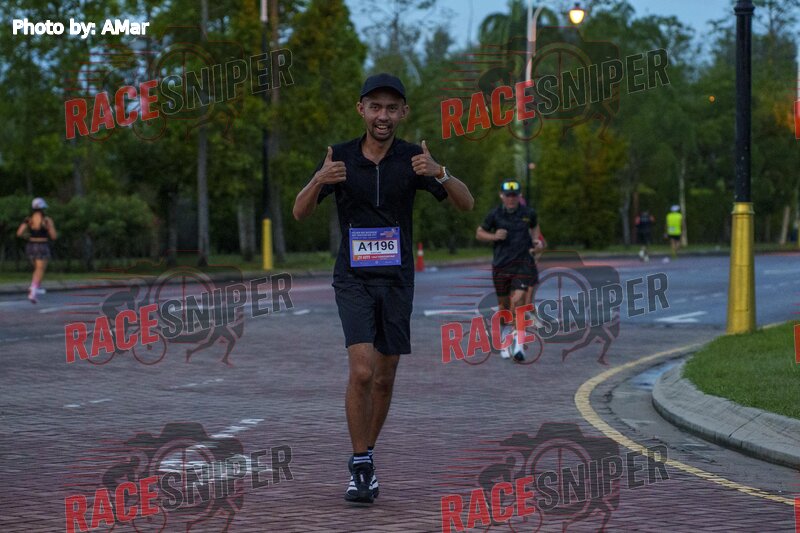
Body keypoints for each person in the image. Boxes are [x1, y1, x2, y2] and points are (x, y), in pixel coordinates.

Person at [292, 73, 474, 504]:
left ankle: (367, 454)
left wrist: (440, 172)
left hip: (397, 280)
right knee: (362, 371)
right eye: (375, 107)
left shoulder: (413, 159)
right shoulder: (339, 157)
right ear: (361, 109)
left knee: (385, 377)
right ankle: (360, 466)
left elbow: (466, 204)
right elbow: (299, 213)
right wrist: (319, 180)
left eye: (392, 108)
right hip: (352, 279)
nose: (383, 115)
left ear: (403, 113)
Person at [476, 180, 543, 362]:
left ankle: (519, 347)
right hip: (501, 266)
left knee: (519, 303)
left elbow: (535, 229)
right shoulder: (495, 215)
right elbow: (479, 233)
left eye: (514, 196)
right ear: (501, 196)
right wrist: (493, 236)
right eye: (508, 196)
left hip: (523, 265)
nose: (511, 199)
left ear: (519, 196)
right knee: (504, 309)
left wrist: (537, 242)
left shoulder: (528, 213)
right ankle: (505, 339)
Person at [16, 197, 57, 303]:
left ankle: (35, 286)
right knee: (40, 269)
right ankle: (33, 290)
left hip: (31, 245)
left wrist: (28, 236)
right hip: (42, 245)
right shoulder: (46, 220)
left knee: (37, 269)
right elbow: (53, 236)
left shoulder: (28, 219)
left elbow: (19, 233)